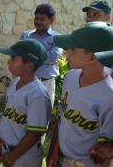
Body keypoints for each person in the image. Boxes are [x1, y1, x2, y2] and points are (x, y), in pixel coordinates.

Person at [47, 22, 113, 167]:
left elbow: (105, 152)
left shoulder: (108, 97)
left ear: (92, 58)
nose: (67, 52)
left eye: (73, 49)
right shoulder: (71, 76)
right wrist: (55, 151)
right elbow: (63, 119)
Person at [0, 38, 51, 167]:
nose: (9, 62)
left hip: (25, 156)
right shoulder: (15, 82)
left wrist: (11, 158)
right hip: (8, 149)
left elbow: (34, 133)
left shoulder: (37, 95)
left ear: (29, 65)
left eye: (14, 59)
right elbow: (7, 118)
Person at [20, 4, 62, 108]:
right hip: (26, 82)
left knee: (43, 116)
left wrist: (30, 56)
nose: (38, 22)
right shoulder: (26, 36)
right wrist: (45, 58)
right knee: (23, 115)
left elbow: (53, 57)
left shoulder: (57, 38)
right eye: (36, 18)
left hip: (46, 83)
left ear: (51, 20)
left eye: (42, 19)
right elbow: (21, 56)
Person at [83, 0, 113, 76]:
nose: (90, 19)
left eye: (96, 15)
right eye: (88, 15)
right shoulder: (82, 37)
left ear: (107, 18)